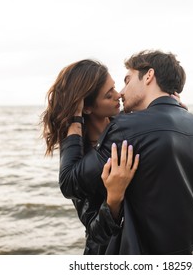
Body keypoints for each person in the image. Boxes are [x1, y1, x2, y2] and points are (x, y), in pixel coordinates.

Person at [60, 50, 193, 255]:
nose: (121, 92)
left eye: (127, 80)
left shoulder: (125, 129)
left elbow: (70, 182)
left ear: (149, 76)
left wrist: (74, 121)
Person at [41, 59, 139, 254]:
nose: (118, 94)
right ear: (86, 107)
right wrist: (113, 198)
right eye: (108, 94)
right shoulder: (77, 154)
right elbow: (96, 232)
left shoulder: (128, 125)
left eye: (114, 87)